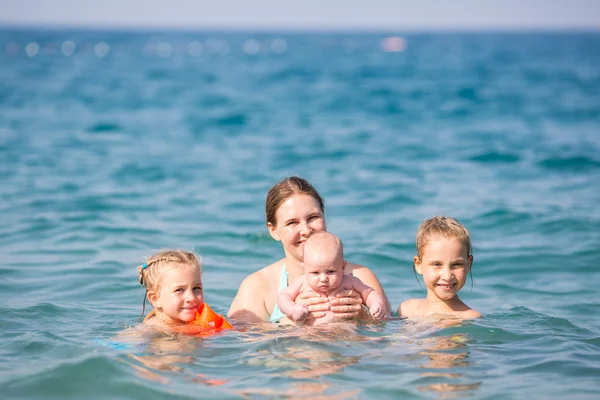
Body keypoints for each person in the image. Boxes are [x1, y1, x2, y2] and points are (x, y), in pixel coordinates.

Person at [228, 176, 391, 324]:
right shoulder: (258, 286)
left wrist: (362, 316)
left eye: (313, 218)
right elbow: (242, 343)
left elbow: (388, 333)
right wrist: (292, 319)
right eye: (292, 222)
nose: (306, 230)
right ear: (273, 231)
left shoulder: (359, 276)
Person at [278, 232, 386, 325]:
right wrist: (292, 309)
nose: (323, 278)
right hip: (311, 334)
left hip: (345, 334)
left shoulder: (350, 281)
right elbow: (283, 296)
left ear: (343, 267)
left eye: (331, 271)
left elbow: (369, 293)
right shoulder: (302, 282)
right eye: (315, 272)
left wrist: (377, 304)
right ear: (305, 268)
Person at [398, 216, 481, 319]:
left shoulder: (469, 317)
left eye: (456, 264)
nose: (447, 276)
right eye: (437, 264)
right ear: (418, 265)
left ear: (469, 264)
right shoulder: (406, 309)